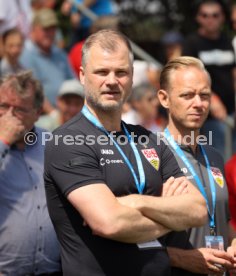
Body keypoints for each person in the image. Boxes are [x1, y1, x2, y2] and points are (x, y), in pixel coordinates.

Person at [44, 29, 207, 276]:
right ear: (82, 76)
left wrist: (135, 203)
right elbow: (109, 223)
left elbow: (197, 209)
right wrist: (168, 210)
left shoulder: (149, 139)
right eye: (102, 72)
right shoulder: (67, 140)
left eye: (121, 72)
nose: (112, 80)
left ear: (132, 78)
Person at [157, 56, 236, 275]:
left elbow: (222, 217)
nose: (198, 104)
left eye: (204, 95)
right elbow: (132, 241)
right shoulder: (150, 156)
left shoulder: (215, 157)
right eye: (187, 95)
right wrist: (181, 258)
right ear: (164, 99)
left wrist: (234, 242)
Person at [0, 71, 61, 275]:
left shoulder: (51, 142)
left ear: (37, 113)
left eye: (19, 109)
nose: (9, 115)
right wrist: (4, 141)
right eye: (3, 106)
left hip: (52, 270)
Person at [182, 0, 236, 156]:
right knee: (219, 158)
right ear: (198, 18)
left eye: (215, 15)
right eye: (204, 15)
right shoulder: (191, 43)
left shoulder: (227, 42)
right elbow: (189, 77)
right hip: (208, 114)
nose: (210, 19)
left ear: (222, 18)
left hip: (230, 112)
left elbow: (233, 74)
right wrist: (212, 99)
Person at [20, 9, 74, 107]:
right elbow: (33, 92)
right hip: (42, 116)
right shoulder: (25, 56)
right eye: (45, 29)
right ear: (33, 29)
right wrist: (53, 114)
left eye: (53, 29)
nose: (50, 33)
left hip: (68, 111)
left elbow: (73, 82)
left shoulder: (60, 54)